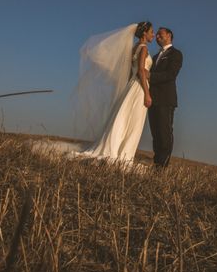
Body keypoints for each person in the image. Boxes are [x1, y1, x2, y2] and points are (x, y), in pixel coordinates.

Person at [73, 22, 154, 163]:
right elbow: (141, 71)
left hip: (132, 86)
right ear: (144, 33)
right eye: (151, 32)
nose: (153, 34)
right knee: (134, 121)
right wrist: (147, 94)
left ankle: (119, 149)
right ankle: (124, 154)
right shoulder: (144, 49)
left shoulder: (134, 48)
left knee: (125, 117)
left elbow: (131, 72)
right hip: (140, 87)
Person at [148, 27, 183, 167]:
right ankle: (157, 163)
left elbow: (171, 74)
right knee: (155, 133)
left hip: (166, 99)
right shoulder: (155, 57)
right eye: (156, 35)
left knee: (164, 133)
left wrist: (150, 75)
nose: (156, 36)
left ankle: (162, 166)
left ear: (169, 35)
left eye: (160, 34)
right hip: (152, 100)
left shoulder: (176, 54)